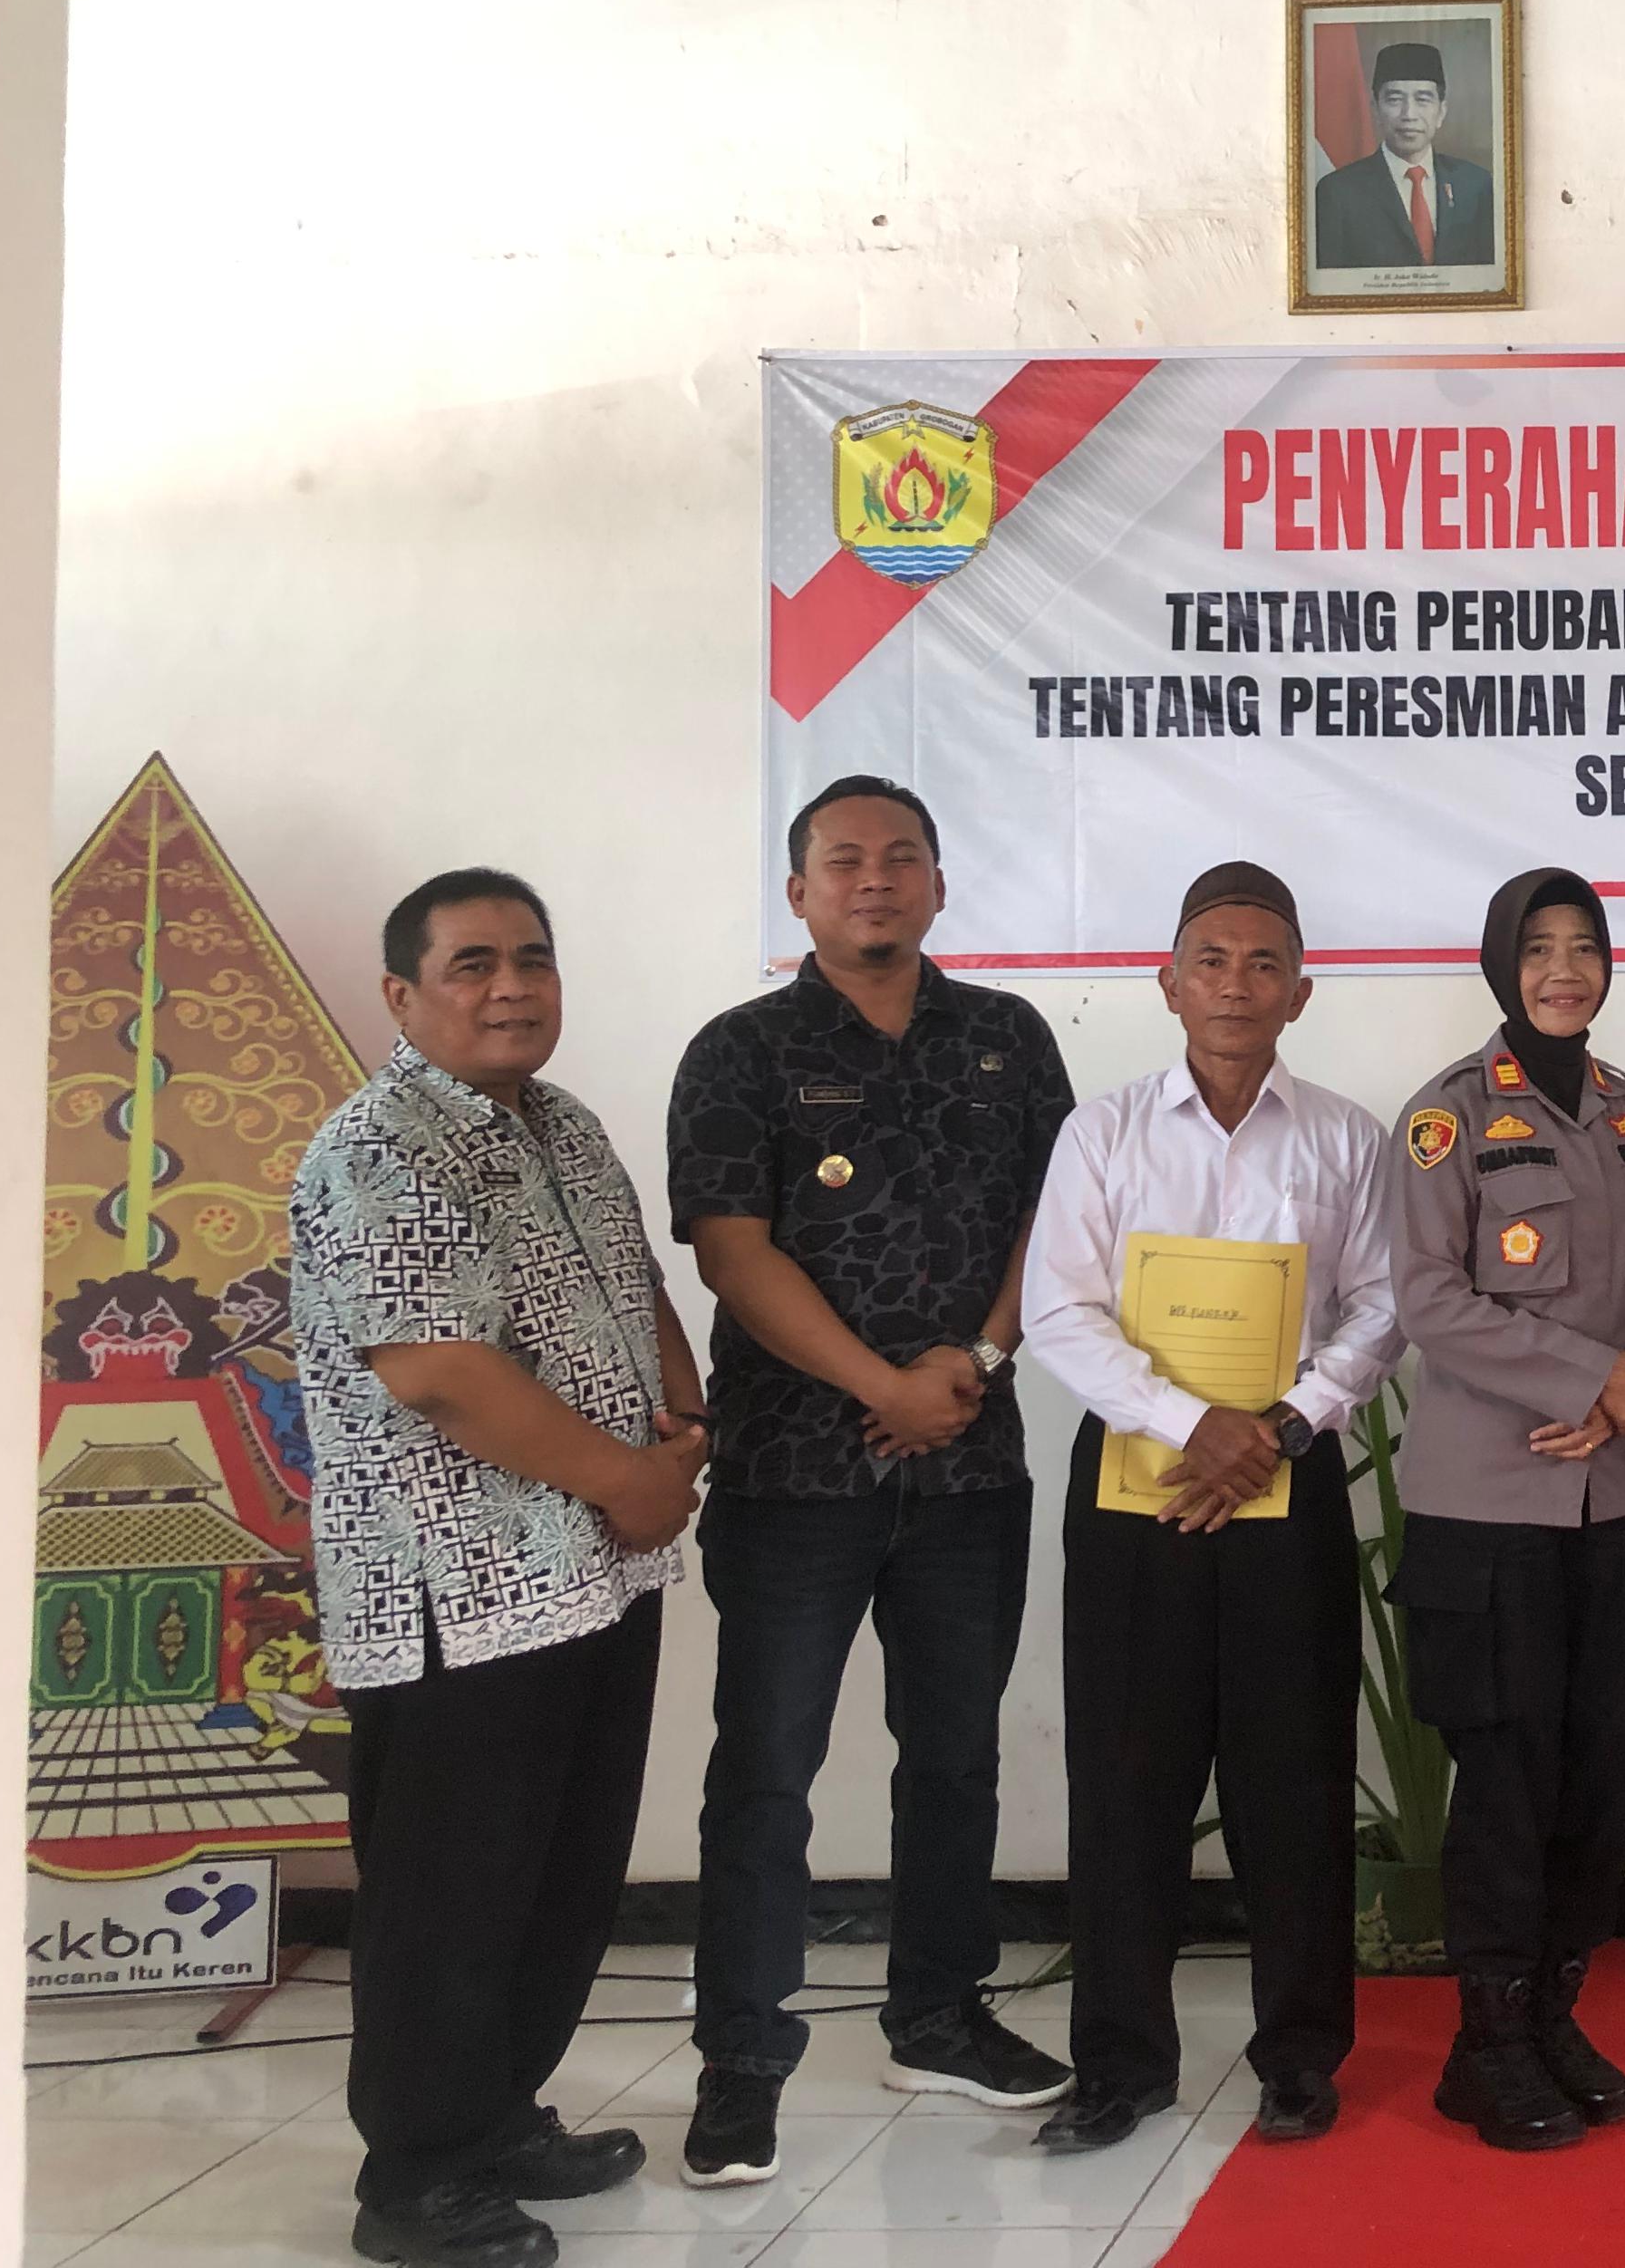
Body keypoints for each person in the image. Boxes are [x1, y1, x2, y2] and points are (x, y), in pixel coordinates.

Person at [662, 777, 1079, 2188]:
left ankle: (939, 2019)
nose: (875, 879)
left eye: (902, 858)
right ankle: (741, 2062)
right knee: (766, 1771)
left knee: (954, 1758)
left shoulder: (1008, 1039)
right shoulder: (740, 1051)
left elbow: (1057, 1220)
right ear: (800, 894)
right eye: (843, 861)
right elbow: (734, 1253)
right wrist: (879, 1386)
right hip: (794, 1475)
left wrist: (975, 1358)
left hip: (972, 1467)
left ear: (940, 884)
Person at [287, 869, 707, 2268]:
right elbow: (442, 1372)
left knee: (559, 1874)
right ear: (401, 994)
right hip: (458, 1589)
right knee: (450, 1894)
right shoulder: (379, 1145)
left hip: (594, 1573)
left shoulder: (565, 1123)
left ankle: (495, 2118)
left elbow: (633, 1284)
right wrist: (631, 1481)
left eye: (532, 957)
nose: (512, 985)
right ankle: (416, 2178)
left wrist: (683, 1421)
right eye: (473, 963)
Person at [1019, 864, 1400, 2153]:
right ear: (1168, 982)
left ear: (1302, 992)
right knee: (1127, 1773)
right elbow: (1060, 1309)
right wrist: (1195, 1424)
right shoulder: (1104, 1133)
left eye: (1264, 964)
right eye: (1212, 961)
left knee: (1296, 1776)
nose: (1237, 985)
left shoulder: (1346, 1137)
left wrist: (1283, 1424)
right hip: (1139, 1486)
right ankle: (1120, 2065)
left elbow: (1383, 1305)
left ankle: (1300, 2057)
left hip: (1290, 1478)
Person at [1388, 867, 1625, 2153]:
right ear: (1500, 965)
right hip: (1490, 1505)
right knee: (1507, 1779)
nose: (1565, 970)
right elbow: (1427, 1296)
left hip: (1615, 1496)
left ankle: (1555, 2013)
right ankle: (1488, 2042)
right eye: (1539, 948)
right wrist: (1587, 1377)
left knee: (1610, 1770)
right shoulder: (1447, 1116)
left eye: (1585, 946)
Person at [1311, 39, 1495, 270]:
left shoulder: (1477, 185)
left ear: (1441, 112)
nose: (1409, 114)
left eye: (1423, 100)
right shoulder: (1337, 192)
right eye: (1395, 100)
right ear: (1375, 110)